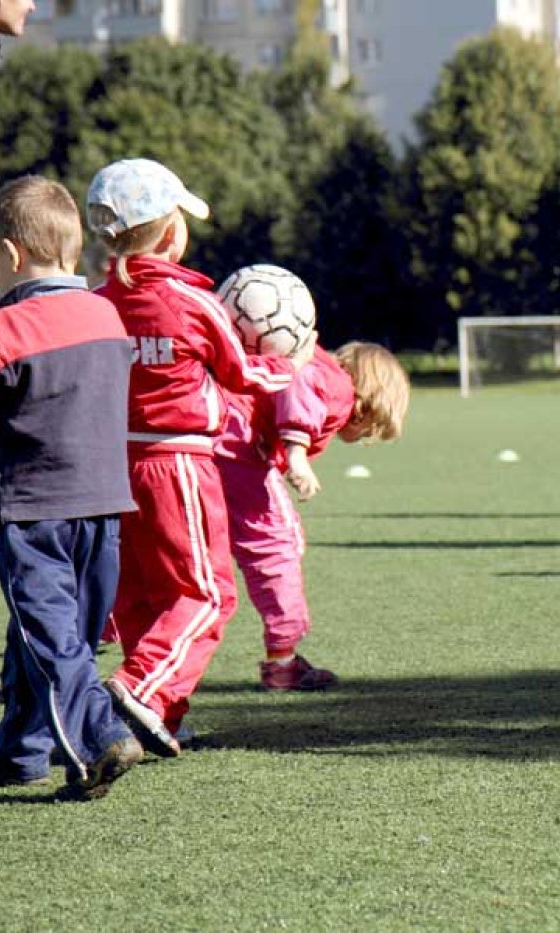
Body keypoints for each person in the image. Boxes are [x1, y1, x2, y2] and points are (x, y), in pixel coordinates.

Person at [87, 158, 301, 757]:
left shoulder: (100, 300)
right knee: (208, 594)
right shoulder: (192, 302)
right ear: (170, 229)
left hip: (112, 465)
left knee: (140, 596)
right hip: (178, 463)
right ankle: (140, 688)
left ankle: (159, 716)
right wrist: (288, 368)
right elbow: (239, 372)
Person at [0, 176, 142, 800]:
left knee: (50, 641)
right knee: (50, 635)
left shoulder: (8, 328)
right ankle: (20, 753)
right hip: (104, 509)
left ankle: (100, 735)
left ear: (12, 255)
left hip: (32, 512)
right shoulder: (106, 315)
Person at [216, 341, 410, 691]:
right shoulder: (336, 384)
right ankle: (282, 662)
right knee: (279, 546)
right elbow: (299, 379)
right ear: (372, 399)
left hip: (203, 441)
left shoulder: (323, 368)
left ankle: (107, 627)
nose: (368, 433)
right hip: (240, 451)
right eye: (374, 426)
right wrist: (297, 450)